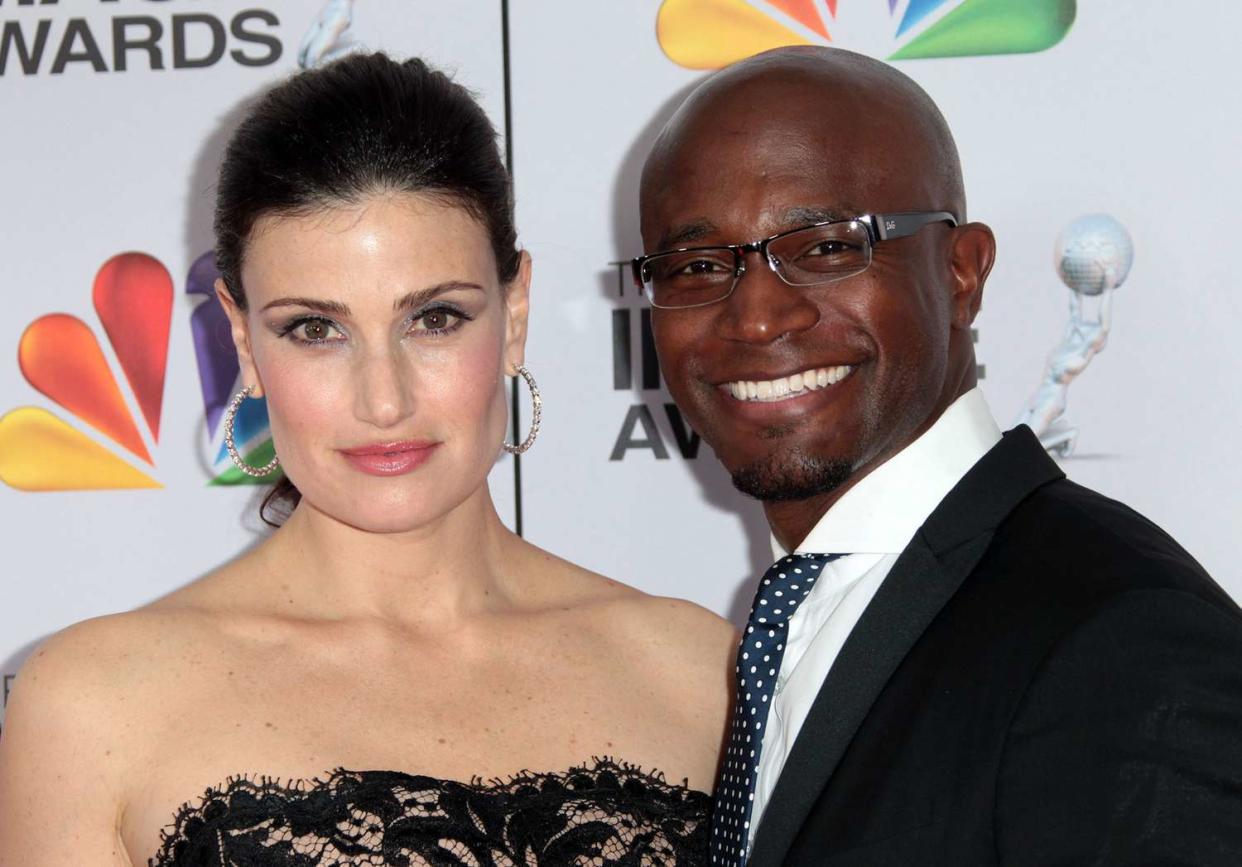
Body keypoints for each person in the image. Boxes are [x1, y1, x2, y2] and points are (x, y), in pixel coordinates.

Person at [0, 53, 734, 866]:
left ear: (515, 311)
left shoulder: (701, 674)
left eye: (436, 318)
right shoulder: (96, 703)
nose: (383, 401)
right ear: (243, 340)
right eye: (315, 329)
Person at [634, 46, 1242, 866]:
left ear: (962, 272)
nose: (756, 317)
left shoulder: (1122, 638)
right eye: (699, 265)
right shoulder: (791, 618)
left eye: (824, 248)